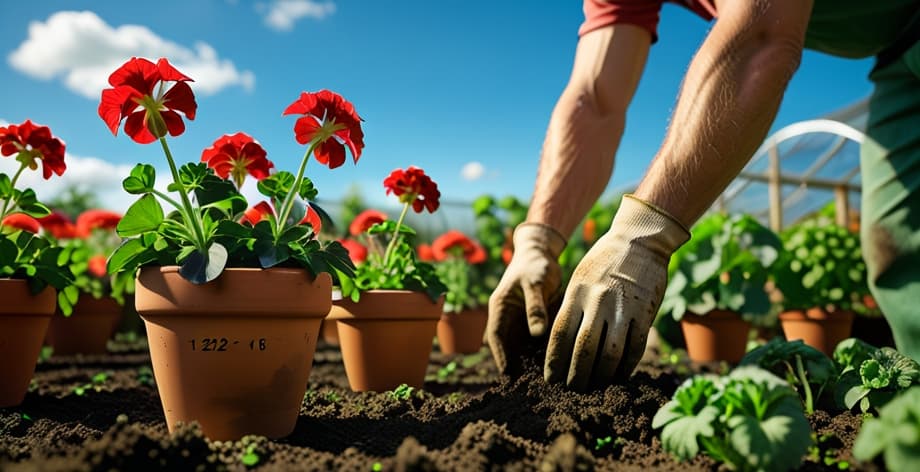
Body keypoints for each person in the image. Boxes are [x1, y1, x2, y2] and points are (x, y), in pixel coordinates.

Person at [487, 0, 920, 391]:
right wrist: (539, 239)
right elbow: (597, 99)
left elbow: (761, 38)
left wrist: (641, 235)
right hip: (902, 52)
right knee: (901, 252)